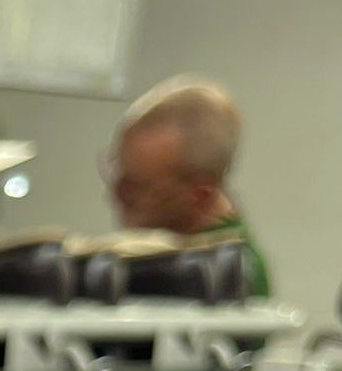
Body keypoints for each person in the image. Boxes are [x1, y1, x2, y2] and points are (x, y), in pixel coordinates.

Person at [104, 76, 270, 297]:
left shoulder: (227, 279)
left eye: (136, 189)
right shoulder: (167, 255)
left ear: (199, 196)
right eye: (116, 171)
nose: (114, 197)